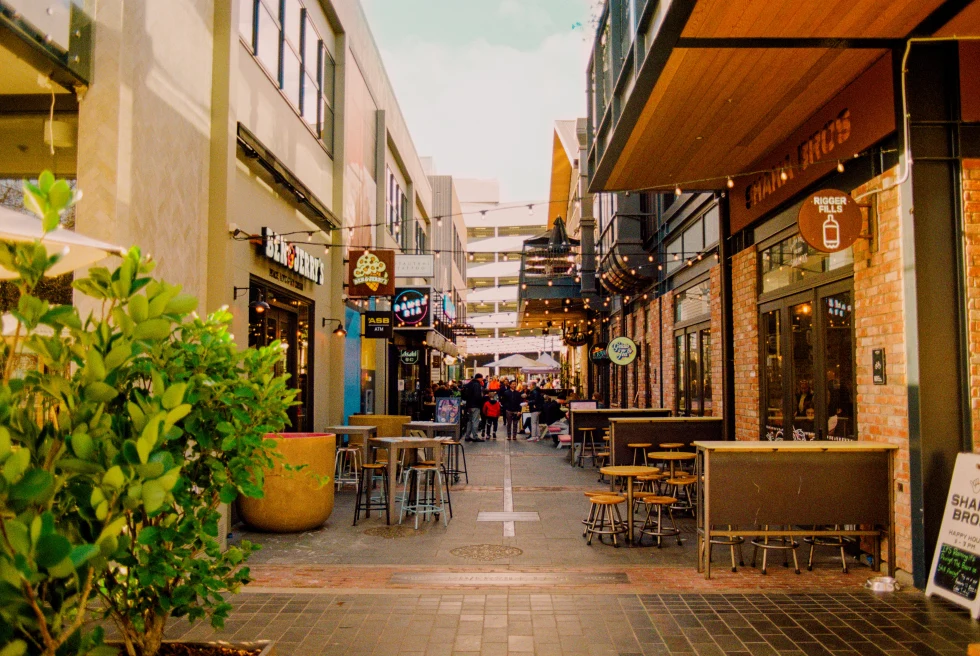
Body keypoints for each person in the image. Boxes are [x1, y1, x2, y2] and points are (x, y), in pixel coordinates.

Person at [462, 374, 486, 442]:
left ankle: (467, 436)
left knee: (469, 421)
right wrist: (480, 402)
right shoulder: (477, 385)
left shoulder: (469, 383)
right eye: (482, 378)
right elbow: (477, 395)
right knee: (475, 421)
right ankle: (475, 436)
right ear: (479, 378)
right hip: (475, 405)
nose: (482, 380)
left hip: (469, 405)